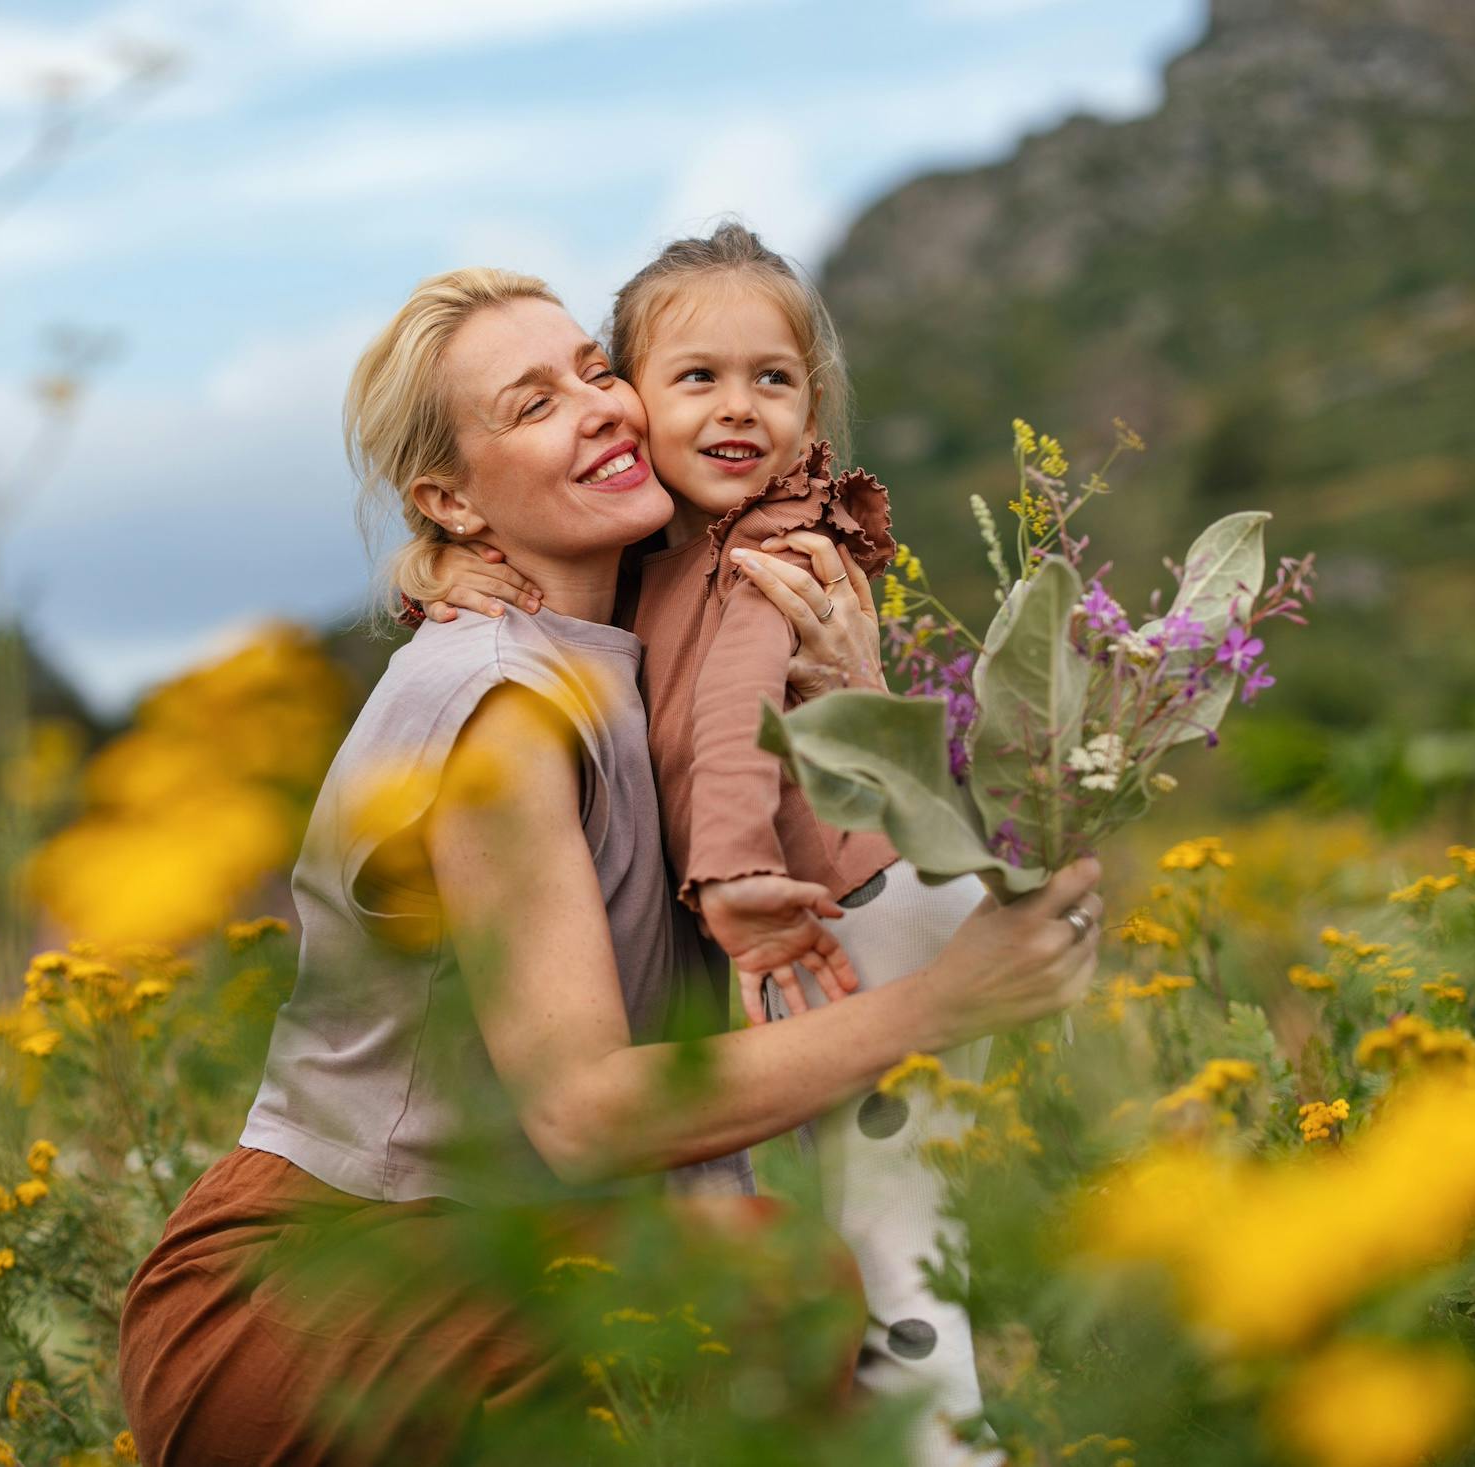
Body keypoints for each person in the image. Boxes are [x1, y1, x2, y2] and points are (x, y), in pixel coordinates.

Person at [117, 267, 1104, 1467]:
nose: (597, 408)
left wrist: (857, 683)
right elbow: (586, 1115)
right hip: (318, 1293)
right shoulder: (501, 712)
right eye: (531, 406)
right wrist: (945, 1003)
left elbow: (831, 853)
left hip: (506, 1260)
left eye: (594, 371)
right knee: (770, 1283)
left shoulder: (634, 650)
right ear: (452, 503)